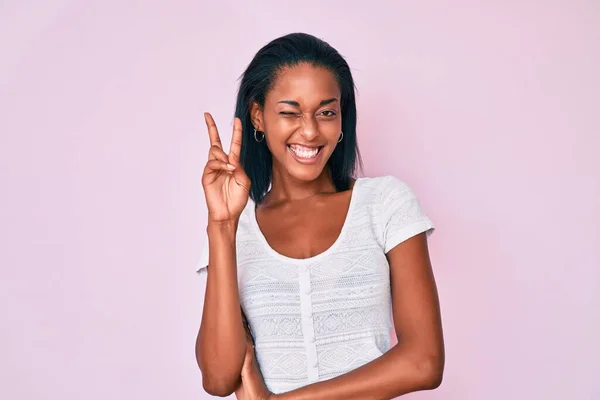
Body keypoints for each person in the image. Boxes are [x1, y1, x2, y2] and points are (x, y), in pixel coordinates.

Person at [194, 32, 444, 400]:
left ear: (343, 118)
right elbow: (218, 378)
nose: (310, 131)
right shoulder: (236, 227)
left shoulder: (385, 204)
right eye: (290, 112)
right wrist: (221, 226)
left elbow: (424, 362)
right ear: (258, 116)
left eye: (326, 112)